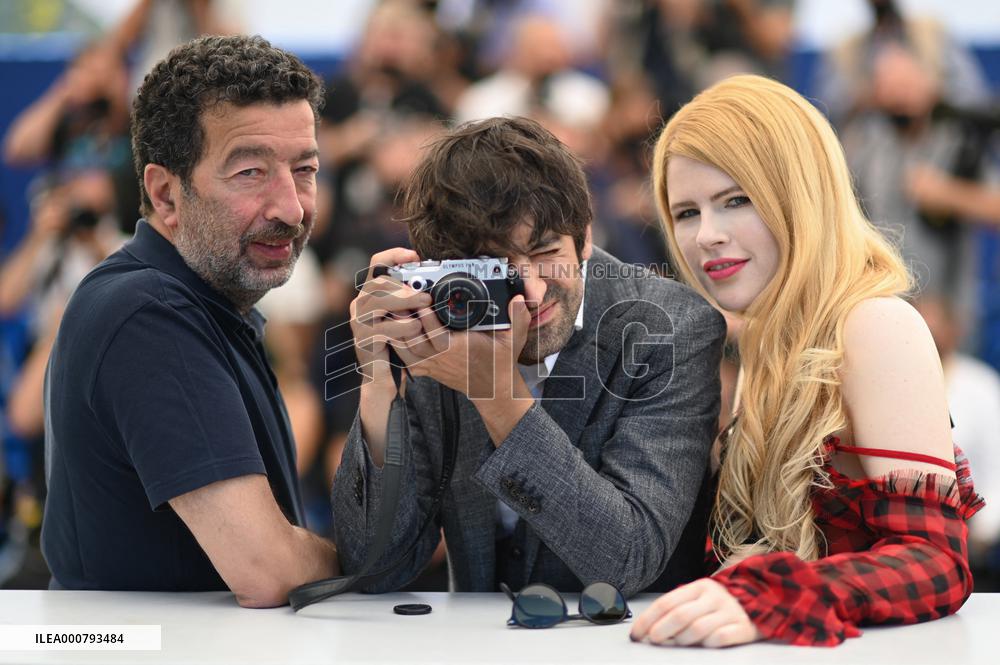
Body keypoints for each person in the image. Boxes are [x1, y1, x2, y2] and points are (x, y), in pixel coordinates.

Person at [629, 74, 984, 648]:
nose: (706, 237)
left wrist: (773, 597)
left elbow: (936, 562)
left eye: (735, 201)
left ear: (798, 194)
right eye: (687, 213)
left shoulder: (874, 324)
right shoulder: (765, 340)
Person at [331, 116, 726, 596]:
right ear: (443, 268)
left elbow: (629, 558)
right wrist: (378, 383)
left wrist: (495, 395)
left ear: (584, 235)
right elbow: (378, 567)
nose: (532, 290)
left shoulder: (671, 326)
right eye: (494, 269)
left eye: (545, 252)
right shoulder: (445, 318)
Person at [41, 35, 339, 607]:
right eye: (251, 172)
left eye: (305, 169)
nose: (292, 208)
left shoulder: (211, 301)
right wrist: (368, 559)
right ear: (165, 194)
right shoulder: (149, 311)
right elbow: (267, 570)